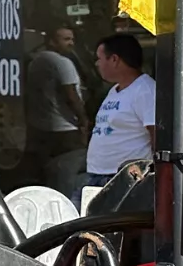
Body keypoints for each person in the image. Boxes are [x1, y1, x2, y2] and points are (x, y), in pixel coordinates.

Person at [84, 33, 155, 199]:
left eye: (99, 58)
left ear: (114, 59)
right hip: (99, 176)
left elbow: (157, 135)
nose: (97, 64)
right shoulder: (115, 90)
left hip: (123, 181)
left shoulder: (145, 90)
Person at [25, 26, 86, 189]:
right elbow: (71, 95)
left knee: (47, 175)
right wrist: (83, 121)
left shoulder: (36, 61)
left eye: (72, 39)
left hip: (41, 127)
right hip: (65, 129)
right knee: (68, 176)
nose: (71, 43)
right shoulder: (62, 63)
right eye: (65, 39)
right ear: (52, 41)